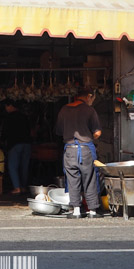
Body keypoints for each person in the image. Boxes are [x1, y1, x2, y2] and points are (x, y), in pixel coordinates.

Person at [55, 87, 102, 219]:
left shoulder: (64, 110)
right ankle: (92, 211)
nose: (92, 101)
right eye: (92, 98)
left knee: (72, 179)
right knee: (90, 178)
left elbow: (59, 131)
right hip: (85, 149)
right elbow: (97, 132)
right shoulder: (89, 110)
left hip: (69, 149)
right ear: (88, 96)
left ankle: (76, 210)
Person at [2, 101, 32, 195]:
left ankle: (17, 187)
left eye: (6, 106)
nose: (6, 108)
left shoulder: (9, 117)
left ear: (10, 105)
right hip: (27, 143)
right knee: (24, 166)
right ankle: (23, 187)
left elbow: (5, 132)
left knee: (13, 166)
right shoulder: (24, 116)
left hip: (15, 144)